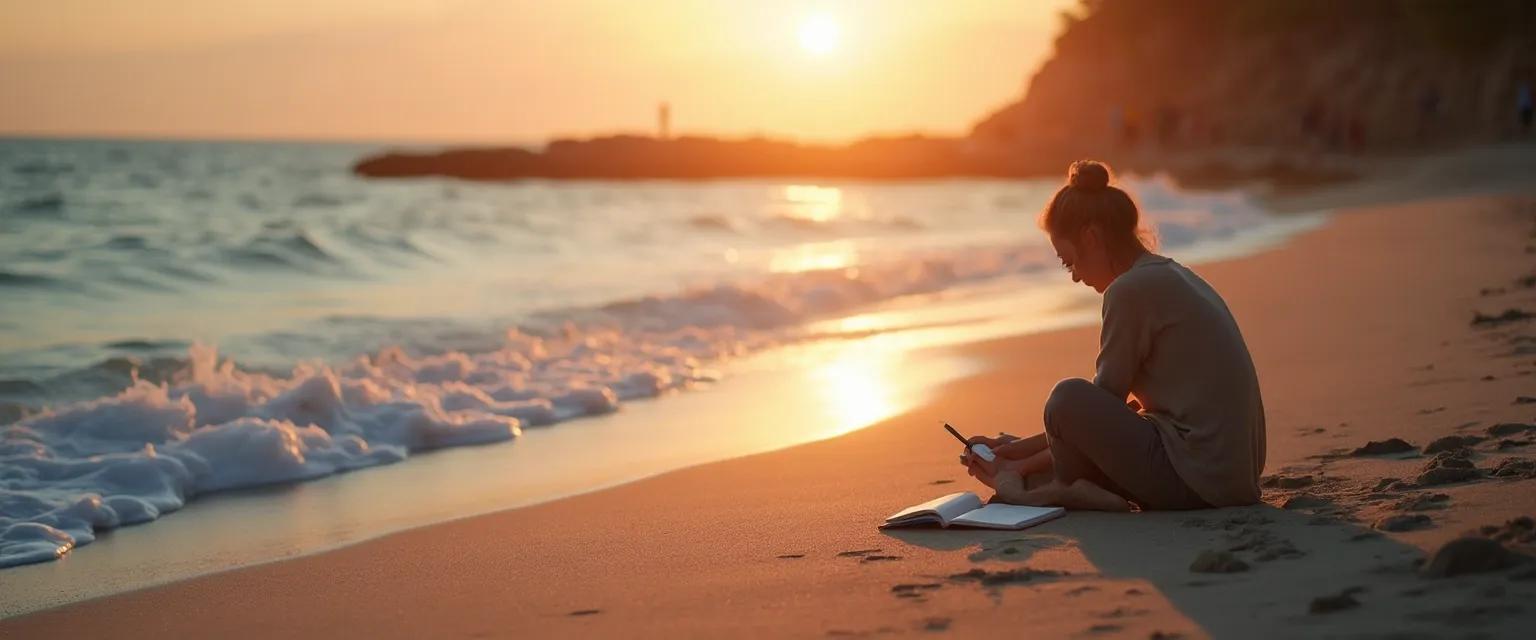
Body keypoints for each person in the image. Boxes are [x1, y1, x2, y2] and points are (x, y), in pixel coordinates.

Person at [961, 160, 1266, 511]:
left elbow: (1091, 406)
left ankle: (1052, 490)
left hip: (1199, 481)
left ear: (1091, 237)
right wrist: (1013, 449)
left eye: (1069, 261)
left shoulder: (1129, 291)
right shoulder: (1170, 275)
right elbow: (1105, 417)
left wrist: (1016, 467)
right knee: (1073, 414)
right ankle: (1041, 478)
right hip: (1229, 476)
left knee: (1066, 397)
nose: (1074, 276)